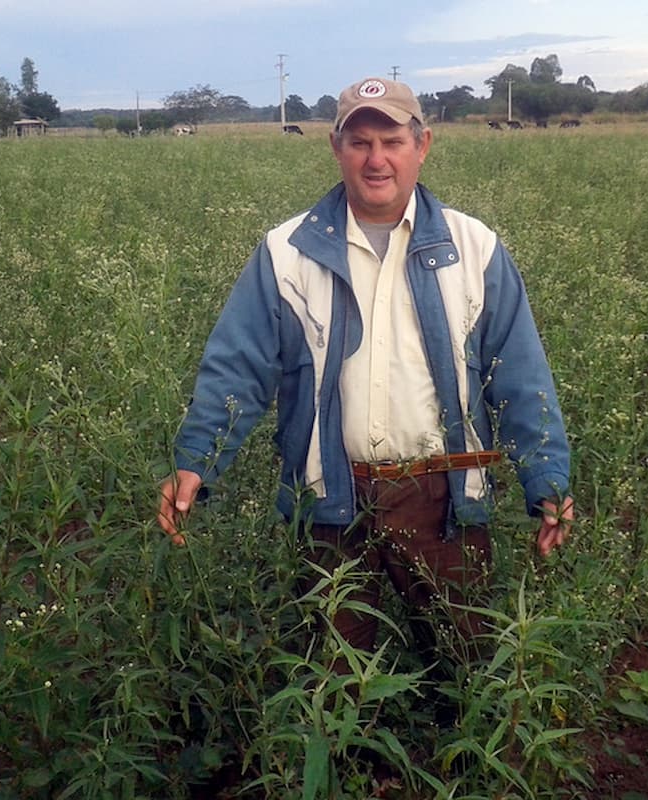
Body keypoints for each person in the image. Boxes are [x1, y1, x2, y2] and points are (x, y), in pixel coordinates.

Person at [157, 76, 573, 674]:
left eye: (392, 141)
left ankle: (457, 768)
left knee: (467, 670)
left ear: (421, 145)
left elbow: (520, 374)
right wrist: (196, 460)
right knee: (333, 680)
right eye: (360, 142)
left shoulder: (472, 247)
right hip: (330, 500)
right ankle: (353, 768)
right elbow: (238, 366)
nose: (376, 159)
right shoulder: (287, 252)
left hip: (442, 501)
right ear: (336, 148)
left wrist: (548, 482)